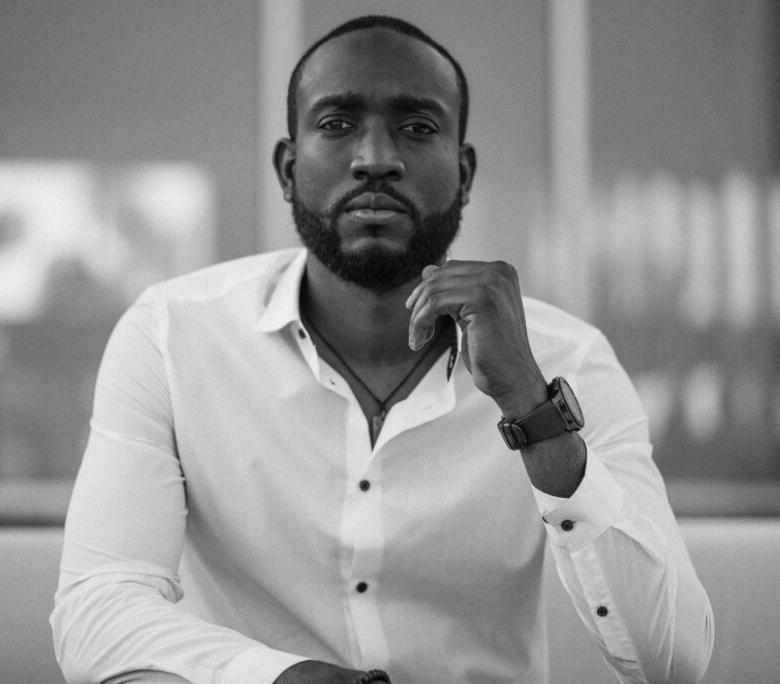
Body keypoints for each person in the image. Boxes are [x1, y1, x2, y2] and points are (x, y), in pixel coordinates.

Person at [51, 15, 714, 684]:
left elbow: (672, 663)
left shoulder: (567, 360)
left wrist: (533, 408)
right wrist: (280, 679)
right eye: (337, 124)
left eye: (417, 127)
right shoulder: (172, 336)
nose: (375, 157)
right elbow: (97, 613)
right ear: (288, 168)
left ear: (464, 171)